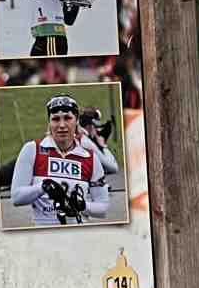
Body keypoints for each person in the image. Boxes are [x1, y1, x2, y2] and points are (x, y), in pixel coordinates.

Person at [10, 94, 119, 226]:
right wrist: (43, 187)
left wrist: (82, 205)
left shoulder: (90, 157)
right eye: (55, 119)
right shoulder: (32, 149)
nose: (62, 125)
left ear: (76, 120)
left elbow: (102, 208)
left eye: (67, 118)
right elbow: (16, 197)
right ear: (49, 122)